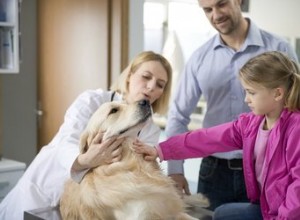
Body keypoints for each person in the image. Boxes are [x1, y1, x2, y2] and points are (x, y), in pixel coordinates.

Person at [0, 51, 173, 220]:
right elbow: (66, 141)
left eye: (160, 84)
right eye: (146, 76)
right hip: (40, 194)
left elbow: (139, 171)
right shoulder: (92, 101)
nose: (151, 87)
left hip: (92, 206)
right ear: (129, 76)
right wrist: (87, 159)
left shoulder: (150, 131)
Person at [133, 51, 300, 220]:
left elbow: (298, 188)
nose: (246, 100)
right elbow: (208, 139)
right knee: (221, 213)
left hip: (288, 213)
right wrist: (161, 150)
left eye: (252, 92)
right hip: (268, 208)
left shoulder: (296, 128)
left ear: (277, 94)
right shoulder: (251, 124)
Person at [165, 0, 299, 210]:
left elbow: (295, 104)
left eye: (221, 4)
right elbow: (178, 116)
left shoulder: (279, 49)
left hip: (265, 171)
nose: (216, 15)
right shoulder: (200, 58)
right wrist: (175, 169)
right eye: (207, 10)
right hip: (214, 171)